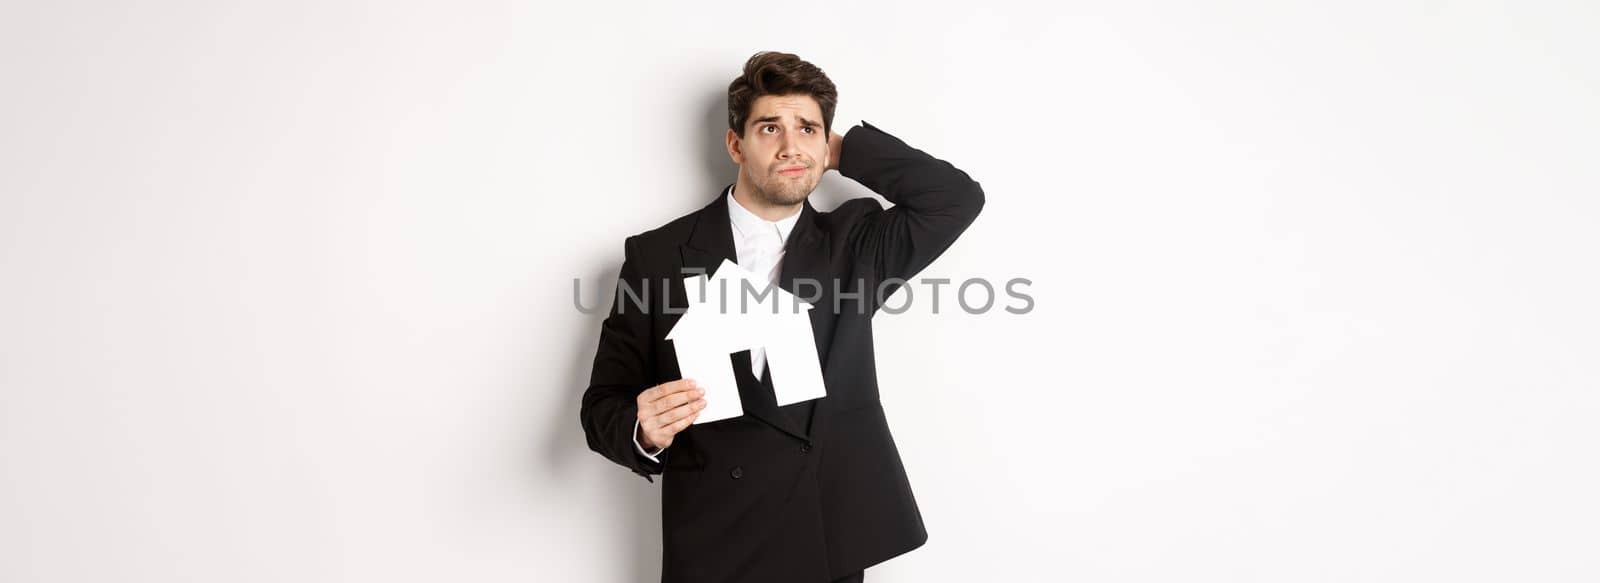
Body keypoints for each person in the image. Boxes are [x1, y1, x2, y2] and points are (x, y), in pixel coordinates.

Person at [580, 50, 984, 583]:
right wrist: (642, 429)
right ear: (735, 144)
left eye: (808, 129)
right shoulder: (657, 255)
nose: (791, 145)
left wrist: (841, 150)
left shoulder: (856, 244)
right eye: (770, 128)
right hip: (713, 540)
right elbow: (601, 405)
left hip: (825, 535)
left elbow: (956, 199)